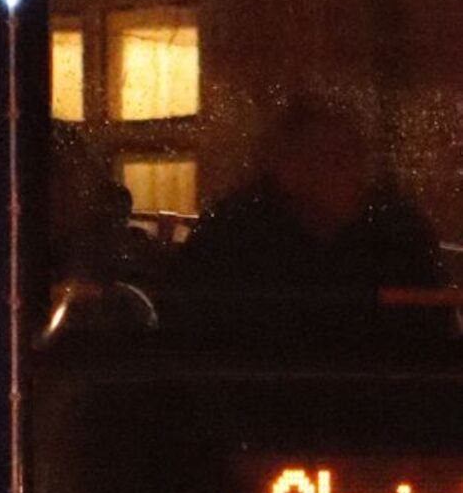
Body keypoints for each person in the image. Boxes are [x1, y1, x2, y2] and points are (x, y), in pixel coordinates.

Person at [173, 96, 447, 349]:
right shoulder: (233, 239)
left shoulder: (395, 236)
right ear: (289, 169)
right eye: (338, 159)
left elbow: (430, 336)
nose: (358, 173)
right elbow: (200, 340)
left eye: (358, 156)